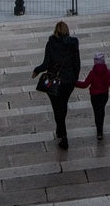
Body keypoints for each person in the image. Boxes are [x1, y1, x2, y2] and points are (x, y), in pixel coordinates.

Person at [32, 21, 81, 150]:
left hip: (55, 82)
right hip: (68, 81)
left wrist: (37, 70)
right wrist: (74, 78)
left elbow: (46, 64)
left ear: (56, 31)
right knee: (63, 105)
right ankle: (60, 130)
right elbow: (77, 64)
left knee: (57, 108)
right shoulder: (73, 43)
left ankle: (62, 134)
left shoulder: (51, 44)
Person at [76, 51, 110, 139]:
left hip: (94, 96)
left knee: (96, 112)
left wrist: (74, 83)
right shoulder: (107, 72)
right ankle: (101, 127)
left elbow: (85, 84)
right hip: (104, 95)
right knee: (101, 110)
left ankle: (99, 130)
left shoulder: (92, 73)